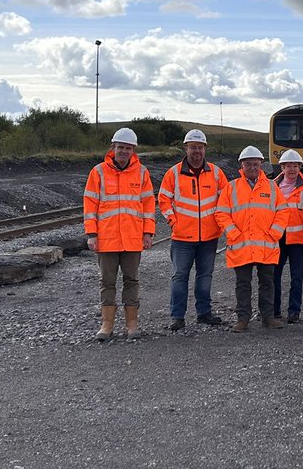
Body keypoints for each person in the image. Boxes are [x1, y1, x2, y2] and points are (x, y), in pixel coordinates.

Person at [83, 127, 156, 341]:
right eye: (121, 147)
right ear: (113, 147)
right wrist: (91, 234)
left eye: (128, 148)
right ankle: (107, 325)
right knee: (107, 281)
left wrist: (148, 232)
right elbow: (90, 204)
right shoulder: (98, 172)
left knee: (131, 280)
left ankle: (132, 324)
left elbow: (148, 204)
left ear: (133, 150)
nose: (124, 151)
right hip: (106, 238)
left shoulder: (141, 172)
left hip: (133, 238)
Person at [159, 128, 229, 330]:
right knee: (180, 276)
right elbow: (164, 199)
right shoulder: (173, 173)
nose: (196, 151)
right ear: (186, 148)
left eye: (199, 147)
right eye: (192, 147)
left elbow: (226, 201)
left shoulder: (216, 173)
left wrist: (221, 224)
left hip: (209, 236)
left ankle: (204, 313)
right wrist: (173, 221)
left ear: (205, 149)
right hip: (182, 237)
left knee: (205, 276)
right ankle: (177, 316)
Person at [215, 146, 289, 332]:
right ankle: (243, 319)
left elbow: (283, 211)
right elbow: (221, 213)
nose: (253, 168)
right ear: (242, 165)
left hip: (266, 244)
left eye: (256, 164)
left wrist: (274, 233)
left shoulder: (272, 187)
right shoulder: (231, 187)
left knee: (267, 282)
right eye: (248, 164)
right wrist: (233, 233)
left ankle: (268, 317)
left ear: (261, 164)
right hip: (241, 245)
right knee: (242, 284)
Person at [273, 149, 303, 323]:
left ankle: (294, 312)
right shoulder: (272, 186)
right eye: (289, 166)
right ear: (282, 167)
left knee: (296, 277)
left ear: (300, 167)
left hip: (299, 239)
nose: (292, 169)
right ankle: (274, 310)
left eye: (295, 166)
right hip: (277, 238)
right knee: (274, 275)